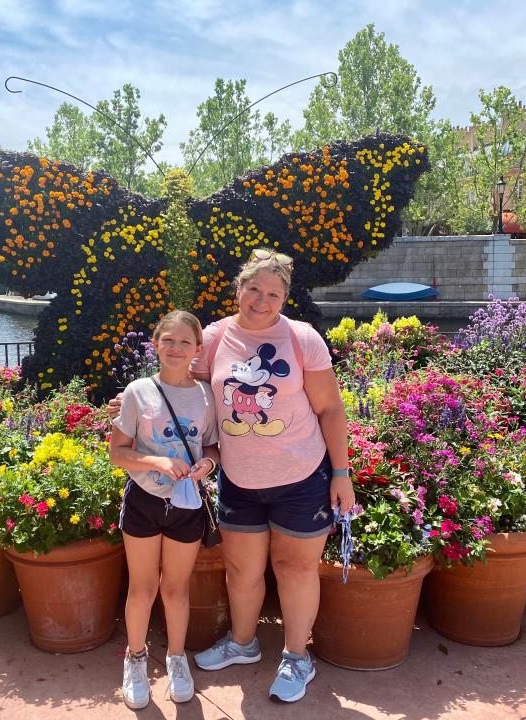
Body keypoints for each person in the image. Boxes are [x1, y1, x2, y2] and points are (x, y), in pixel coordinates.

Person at [108, 249, 356, 703]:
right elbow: (186, 394)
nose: (261, 300)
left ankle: (297, 656)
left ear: (285, 297)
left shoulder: (302, 338)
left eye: (273, 293)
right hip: (239, 479)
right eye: (254, 289)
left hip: (301, 476)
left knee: (295, 568)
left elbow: (330, 409)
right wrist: (134, 409)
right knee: (241, 569)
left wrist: (341, 472)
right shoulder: (218, 337)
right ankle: (243, 643)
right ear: (239, 288)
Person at [109, 310, 221, 710]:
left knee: (175, 588)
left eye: (184, 342)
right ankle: (135, 658)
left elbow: (211, 446)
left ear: (197, 348)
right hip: (144, 501)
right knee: (142, 587)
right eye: (168, 340)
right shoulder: (139, 391)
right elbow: (117, 452)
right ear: (155, 343)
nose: (175, 348)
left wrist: (207, 465)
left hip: (187, 503)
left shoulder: (206, 395)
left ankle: (176, 657)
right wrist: (155, 462)